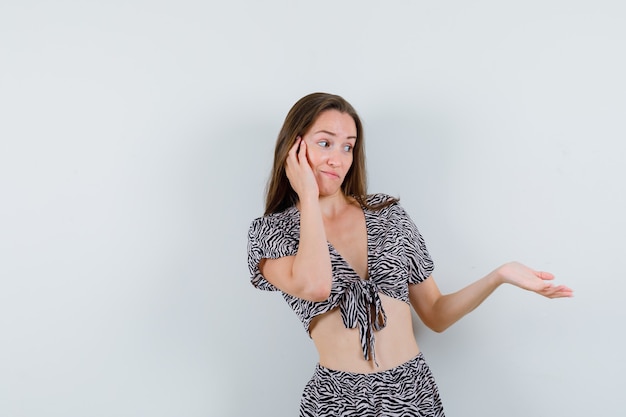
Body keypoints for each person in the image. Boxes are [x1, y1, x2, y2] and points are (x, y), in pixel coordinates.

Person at [246, 92, 573, 416]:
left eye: (348, 146)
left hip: (412, 392)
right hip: (336, 401)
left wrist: (500, 275)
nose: (339, 158)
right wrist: (307, 194)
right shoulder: (270, 233)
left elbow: (435, 313)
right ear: (295, 147)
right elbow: (316, 285)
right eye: (325, 143)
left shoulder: (387, 213)